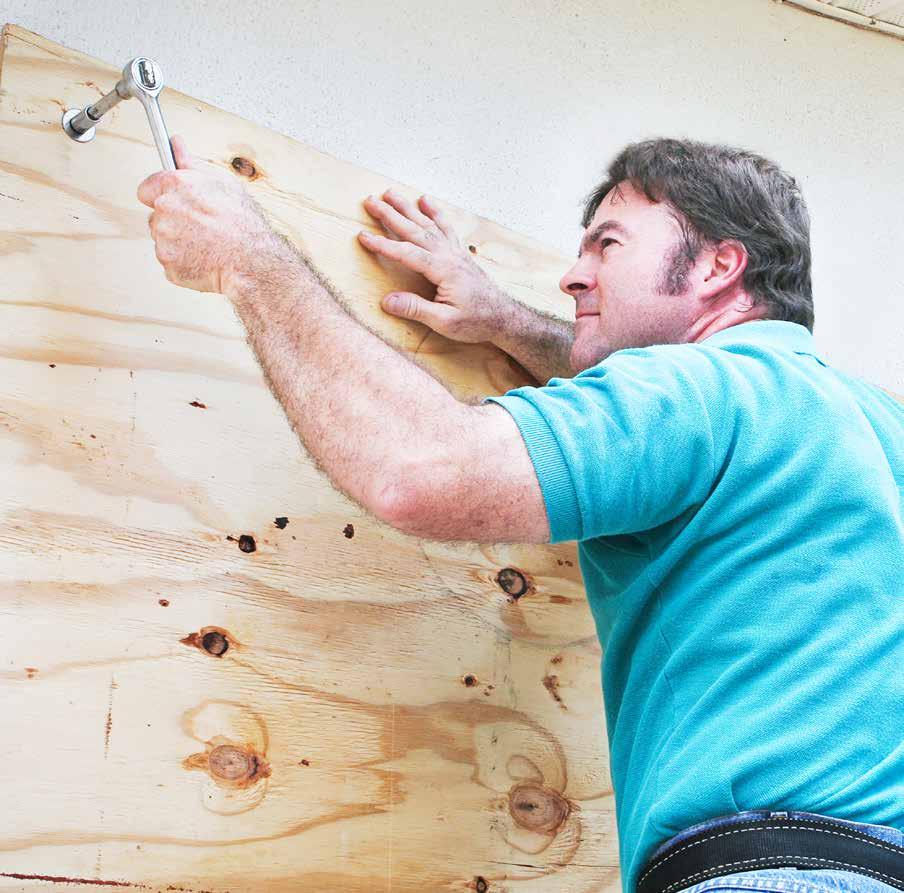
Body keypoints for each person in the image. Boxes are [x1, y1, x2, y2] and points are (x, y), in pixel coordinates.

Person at [139, 136, 903, 893]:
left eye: (609, 244)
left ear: (717, 266)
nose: (574, 275)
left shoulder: (699, 393)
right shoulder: (869, 423)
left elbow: (421, 468)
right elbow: (665, 426)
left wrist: (249, 260)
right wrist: (506, 321)